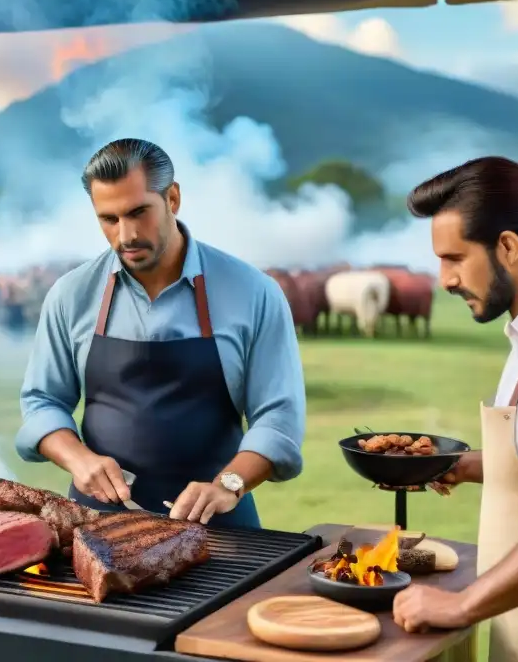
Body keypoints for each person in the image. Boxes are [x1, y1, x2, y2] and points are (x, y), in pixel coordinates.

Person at [15, 138, 306, 528]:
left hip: (222, 527)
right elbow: (42, 401)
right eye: (109, 219)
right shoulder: (71, 294)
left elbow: (278, 417)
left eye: (139, 212)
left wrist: (228, 484)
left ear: (172, 198)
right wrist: (77, 458)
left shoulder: (254, 292)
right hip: (95, 527)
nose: (126, 235)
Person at [392, 156, 518, 662]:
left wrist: (460, 606)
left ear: (508, 246)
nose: (444, 280)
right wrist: (467, 466)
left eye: (454, 258)